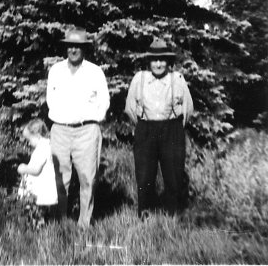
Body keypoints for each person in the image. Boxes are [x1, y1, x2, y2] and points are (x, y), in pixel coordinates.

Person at [46, 28, 110, 229]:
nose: (73, 50)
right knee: (59, 178)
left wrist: (92, 120)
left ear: (84, 49)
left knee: (87, 178)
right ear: (66, 47)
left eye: (78, 47)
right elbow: (50, 99)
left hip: (87, 131)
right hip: (60, 130)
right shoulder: (55, 70)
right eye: (70, 46)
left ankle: (84, 223)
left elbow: (104, 101)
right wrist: (61, 118)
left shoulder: (95, 71)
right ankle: (60, 221)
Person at [125, 38, 194, 218]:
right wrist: (143, 126)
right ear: (148, 62)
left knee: (173, 174)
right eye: (154, 60)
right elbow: (130, 108)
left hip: (171, 129)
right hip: (146, 129)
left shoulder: (176, 79)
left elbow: (188, 108)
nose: (158, 64)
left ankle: (172, 214)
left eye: (162, 59)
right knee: (145, 174)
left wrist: (175, 128)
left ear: (168, 62)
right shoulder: (139, 79)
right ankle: (145, 213)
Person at [17, 119, 58, 218]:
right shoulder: (46, 145)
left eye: (29, 140)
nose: (29, 143)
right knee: (37, 207)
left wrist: (24, 169)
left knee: (36, 206)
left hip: (41, 184)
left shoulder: (42, 149)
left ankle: (36, 223)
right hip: (41, 181)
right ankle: (39, 221)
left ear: (38, 136)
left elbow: (36, 170)